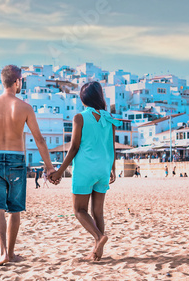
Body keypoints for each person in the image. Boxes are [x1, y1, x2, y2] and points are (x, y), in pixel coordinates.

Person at [0, 65, 56, 266]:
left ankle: (2, 254)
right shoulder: (24, 107)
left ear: (3, 82)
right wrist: (49, 167)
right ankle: (10, 253)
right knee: (14, 210)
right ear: (17, 82)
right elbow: (40, 140)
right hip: (16, 160)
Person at [50, 81, 121, 262]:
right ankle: (97, 252)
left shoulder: (79, 118)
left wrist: (59, 172)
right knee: (98, 212)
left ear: (84, 99)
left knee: (79, 210)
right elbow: (112, 147)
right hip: (103, 168)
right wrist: (112, 168)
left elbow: (74, 147)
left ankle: (99, 238)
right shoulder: (109, 118)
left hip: (85, 169)